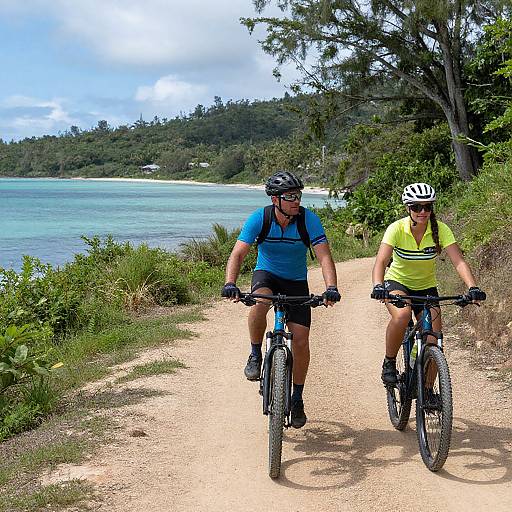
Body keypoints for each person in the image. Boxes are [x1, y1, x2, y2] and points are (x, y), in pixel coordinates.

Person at [222, 170, 341, 428]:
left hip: (296, 281)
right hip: (267, 275)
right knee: (260, 302)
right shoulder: (260, 218)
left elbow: (323, 257)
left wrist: (331, 286)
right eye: (290, 196)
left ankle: (297, 398)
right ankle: (255, 354)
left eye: (298, 195)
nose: (296, 201)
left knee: (300, 340)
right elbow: (238, 254)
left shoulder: (308, 220)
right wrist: (230, 283)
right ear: (275, 199)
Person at [371, 182, 486, 385]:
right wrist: (378, 286)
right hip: (397, 283)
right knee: (403, 315)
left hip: (426, 288)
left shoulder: (441, 230)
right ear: (408, 208)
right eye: (416, 207)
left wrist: (472, 287)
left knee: (434, 340)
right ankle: (389, 362)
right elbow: (381, 261)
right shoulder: (396, 228)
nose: (422, 211)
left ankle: (428, 391)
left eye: (427, 207)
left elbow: (458, 261)